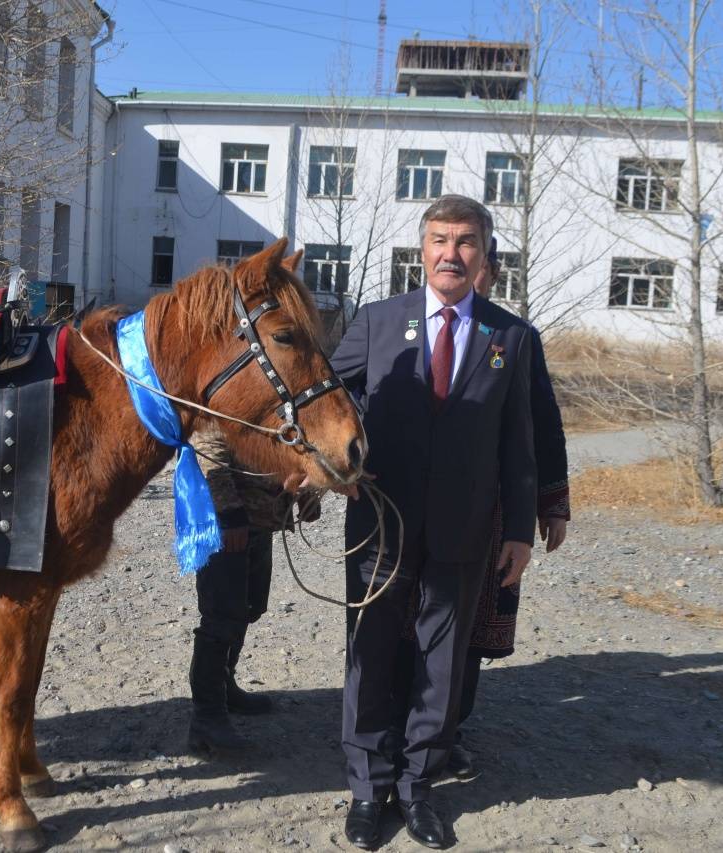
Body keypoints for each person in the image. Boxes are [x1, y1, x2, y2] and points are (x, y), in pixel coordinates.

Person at [330, 196, 537, 849]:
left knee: (442, 661)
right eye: (440, 240)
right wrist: (330, 467)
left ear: (484, 253)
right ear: (421, 250)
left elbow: (518, 442)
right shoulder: (375, 321)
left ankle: (418, 786)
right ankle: (368, 788)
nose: (451, 253)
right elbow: (330, 403)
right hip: (380, 520)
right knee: (368, 652)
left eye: (466, 241)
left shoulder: (511, 337)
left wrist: (520, 530)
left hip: (464, 526)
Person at [397, 237, 572, 782]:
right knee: (399, 616)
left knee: (467, 627)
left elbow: (539, 423)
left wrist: (550, 503)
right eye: (445, 250)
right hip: (407, 503)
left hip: (487, 508)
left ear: (489, 272)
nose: (468, 270)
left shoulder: (514, 338)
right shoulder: (399, 326)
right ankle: (393, 725)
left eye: (481, 263)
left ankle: (448, 731)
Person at [185, 427, 304, 754]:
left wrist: (306, 495)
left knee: (249, 607)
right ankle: (207, 718)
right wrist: (229, 513)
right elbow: (207, 446)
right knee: (220, 616)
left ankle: (225, 683)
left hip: (261, 518)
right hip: (229, 524)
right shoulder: (229, 390)